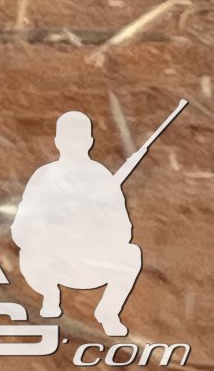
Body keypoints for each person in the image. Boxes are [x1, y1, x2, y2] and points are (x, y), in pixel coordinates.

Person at [15, 112, 145, 336]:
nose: (74, 144)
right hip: (52, 261)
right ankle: (49, 296)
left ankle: (108, 312)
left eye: (79, 138)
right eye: (68, 138)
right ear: (58, 142)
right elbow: (21, 228)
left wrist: (94, 225)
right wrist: (53, 228)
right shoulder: (44, 176)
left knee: (132, 254)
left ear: (89, 142)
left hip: (90, 261)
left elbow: (123, 230)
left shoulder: (102, 178)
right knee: (29, 252)